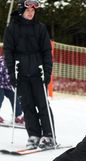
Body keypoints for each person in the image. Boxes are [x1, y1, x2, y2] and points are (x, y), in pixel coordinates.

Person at [3, 0, 55, 148]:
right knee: (27, 105)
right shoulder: (11, 29)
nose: (31, 13)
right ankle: (34, 135)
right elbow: (8, 53)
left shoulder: (40, 28)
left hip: (38, 72)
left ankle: (48, 135)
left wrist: (47, 71)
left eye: (33, 10)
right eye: (28, 11)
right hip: (21, 73)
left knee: (42, 104)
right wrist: (12, 74)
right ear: (21, 11)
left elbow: (46, 52)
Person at [0, 56, 24, 124]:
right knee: (0, 96)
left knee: (14, 97)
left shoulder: (16, 64)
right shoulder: (2, 62)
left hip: (7, 86)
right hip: (0, 83)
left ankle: (18, 115)